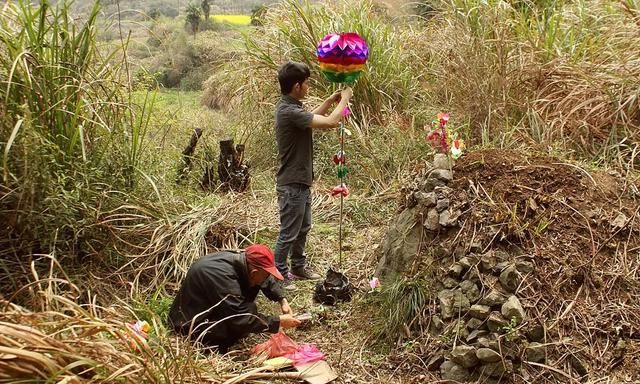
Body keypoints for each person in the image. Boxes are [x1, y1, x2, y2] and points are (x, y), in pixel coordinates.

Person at [274, 61, 353, 290]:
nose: (308, 86)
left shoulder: (290, 108)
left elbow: (311, 119)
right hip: (292, 184)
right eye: (306, 83)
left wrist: (330, 101)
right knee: (289, 232)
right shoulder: (288, 111)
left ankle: (298, 266)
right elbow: (329, 122)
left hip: (300, 182)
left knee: (303, 228)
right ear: (297, 86)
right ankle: (279, 273)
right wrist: (346, 98)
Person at [168, 244, 301, 352]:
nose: (266, 278)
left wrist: (282, 299)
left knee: (249, 308)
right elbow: (240, 317)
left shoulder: (244, 260)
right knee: (239, 325)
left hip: (212, 306)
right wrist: (277, 322)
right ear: (254, 272)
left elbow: (264, 279)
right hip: (190, 323)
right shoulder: (221, 275)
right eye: (265, 275)